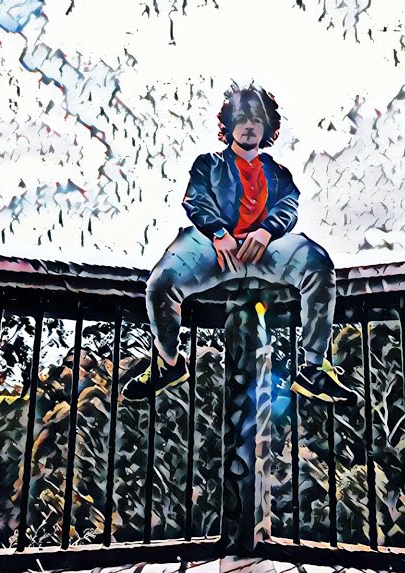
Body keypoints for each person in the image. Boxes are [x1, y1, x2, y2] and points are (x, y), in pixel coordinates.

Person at [124, 84, 353, 404]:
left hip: (264, 249)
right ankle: (168, 364)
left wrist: (267, 231)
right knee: (161, 282)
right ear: (229, 124)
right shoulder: (208, 164)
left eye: (257, 119)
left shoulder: (278, 173)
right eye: (242, 118)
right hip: (211, 246)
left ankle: (313, 369)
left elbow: (288, 206)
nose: (249, 125)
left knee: (317, 263)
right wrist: (218, 233)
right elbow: (196, 200)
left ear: (267, 127)